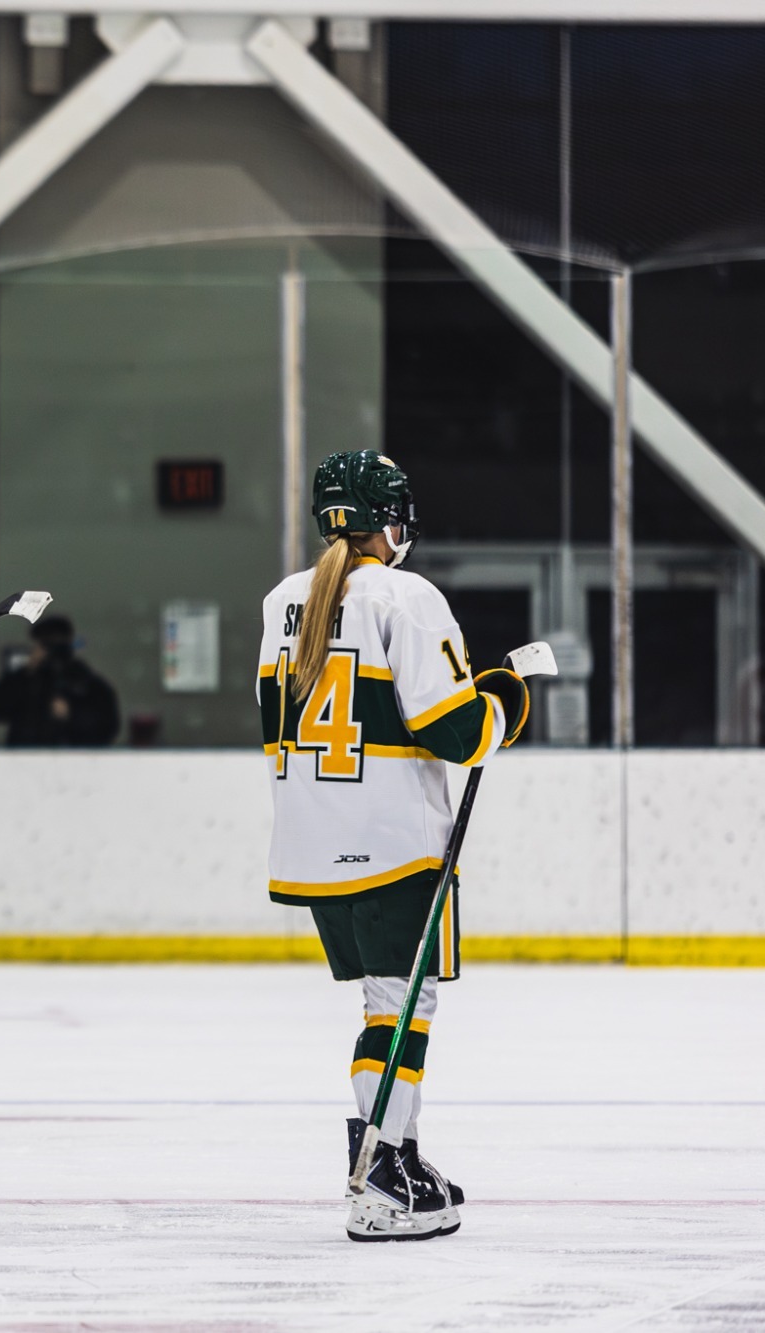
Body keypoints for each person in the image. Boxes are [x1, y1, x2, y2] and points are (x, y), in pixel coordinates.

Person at [257, 451, 531, 1243]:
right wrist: (505, 701)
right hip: (392, 844)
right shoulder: (405, 597)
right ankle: (380, 1175)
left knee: (385, 1002)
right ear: (389, 519)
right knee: (401, 1009)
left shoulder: (283, 600)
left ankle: (395, 1155)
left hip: (311, 842)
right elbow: (456, 732)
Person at [0, 613, 120, 746]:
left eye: (56, 642)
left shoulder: (84, 680)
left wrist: (72, 713)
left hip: (73, 756)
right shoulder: (27, 679)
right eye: (44, 644)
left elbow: (107, 726)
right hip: (26, 756)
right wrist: (27, 672)